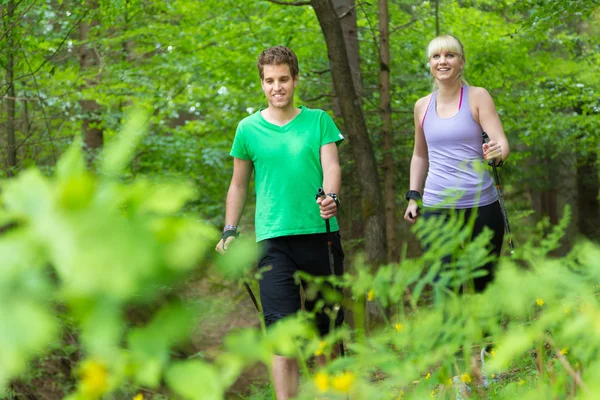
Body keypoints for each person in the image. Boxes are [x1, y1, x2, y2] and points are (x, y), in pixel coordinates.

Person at [215, 46, 345, 400]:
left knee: (327, 333)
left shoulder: (319, 121)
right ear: (262, 83)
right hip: (273, 242)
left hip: (321, 236)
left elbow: (332, 167)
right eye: (270, 81)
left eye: (284, 79)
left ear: (295, 79)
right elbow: (238, 184)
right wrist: (230, 229)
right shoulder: (248, 129)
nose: (277, 87)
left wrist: (332, 197)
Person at [404, 35, 510, 292]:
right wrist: (413, 196)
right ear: (430, 64)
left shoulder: (477, 97)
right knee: (447, 285)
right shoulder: (422, 106)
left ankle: (487, 334)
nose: (443, 61)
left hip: (480, 206)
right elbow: (420, 155)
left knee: (483, 285)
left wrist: (496, 153)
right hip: (437, 207)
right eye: (436, 56)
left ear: (461, 63)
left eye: (450, 55)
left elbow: (501, 144)